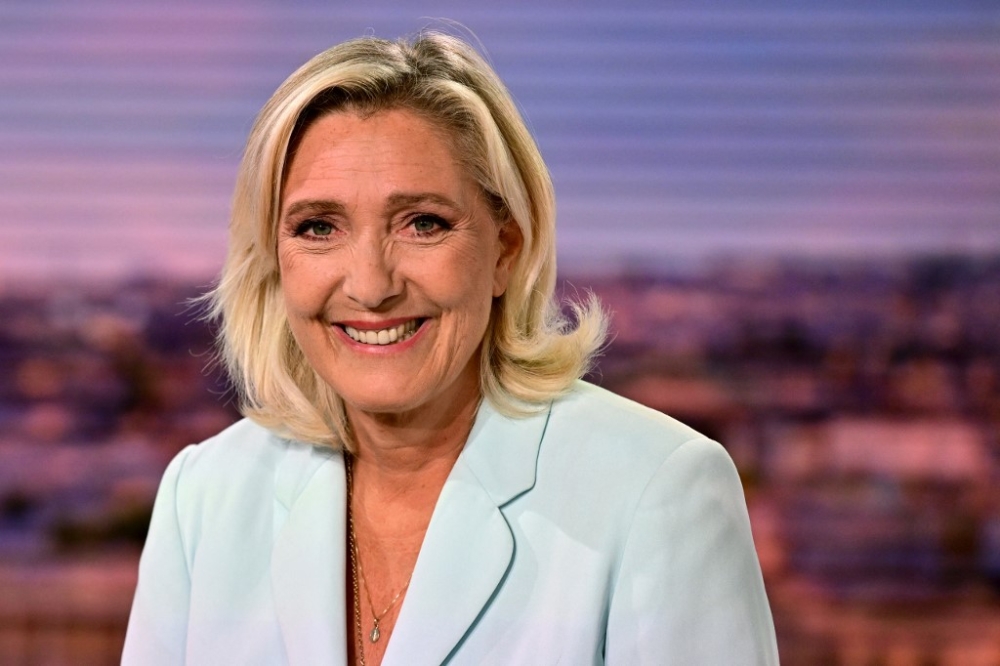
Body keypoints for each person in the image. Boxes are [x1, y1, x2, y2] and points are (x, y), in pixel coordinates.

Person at [122, 31, 779, 665]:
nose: (371, 285)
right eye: (319, 227)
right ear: (272, 256)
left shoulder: (659, 492)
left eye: (423, 223)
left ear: (506, 249)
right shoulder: (204, 496)